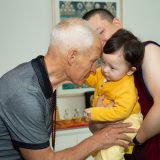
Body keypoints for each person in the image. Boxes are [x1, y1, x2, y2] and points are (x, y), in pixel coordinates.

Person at [0, 18, 136, 160]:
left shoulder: (42, 79)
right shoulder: (25, 93)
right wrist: (98, 140)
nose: (95, 70)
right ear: (72, 56)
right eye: (92, 61)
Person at [83, 9, 160, 160]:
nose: (99, 42)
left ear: (117, 23)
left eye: (101, 32)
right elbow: (94, 127)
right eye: (93, 40)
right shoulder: (107, 71)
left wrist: (135, 141)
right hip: (129, 152)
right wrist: (100, 115)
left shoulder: (147, 52)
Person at [84, 29, 144, 160]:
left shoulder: (127, 88)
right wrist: (83, 71)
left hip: (129, 118)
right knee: (100, 151)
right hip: (109, 116)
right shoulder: (108, 72)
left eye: (112, 67)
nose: (104, 69)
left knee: (111, 153)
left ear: (130, 71)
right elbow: (92, 79)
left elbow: (121, 112)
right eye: (103, 62)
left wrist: (96, 113)